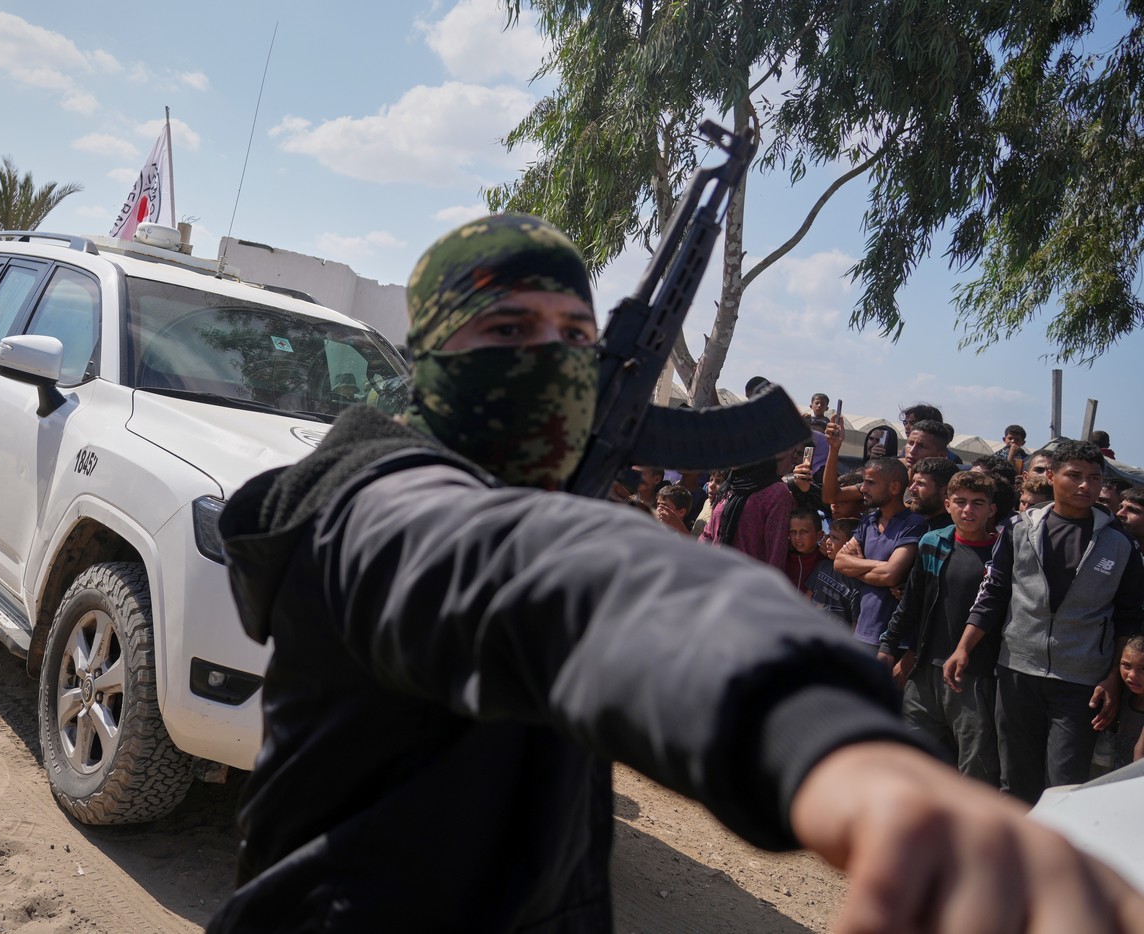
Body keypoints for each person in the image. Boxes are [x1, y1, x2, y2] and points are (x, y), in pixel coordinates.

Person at [210, 214, 1144, 933]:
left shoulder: (527, 497)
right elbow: (563, 579)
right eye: (509, 327)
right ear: (430, 354)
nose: (552, 361)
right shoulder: (374, 505)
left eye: (575, 336)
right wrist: (838, 748)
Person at [945, 441, 1144, 804]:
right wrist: (963, 648)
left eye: (1094, 478)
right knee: (1015, 779)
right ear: (1051, 476)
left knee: (1064, 784)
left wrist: (1112, 679)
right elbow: (993, 594)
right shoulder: (1018, 529)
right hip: (1017, 671)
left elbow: (1127, 618)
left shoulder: (1120, 545)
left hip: (1081, 681)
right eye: (1075, 475)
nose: (1085, 485)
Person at [877, 471, 1001, 785]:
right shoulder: (933, 543)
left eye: (977, 503)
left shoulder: (1001, 555)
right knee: (910, 760)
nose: (968, 510)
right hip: (925, 673)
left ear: (991, 509)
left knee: (975, 768)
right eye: (960, 501)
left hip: (974, 677)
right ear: (947, 505)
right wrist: (888, 646)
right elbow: (911, 603)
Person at [835, 457, 929, 653]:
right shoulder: (868, 520)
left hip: (894, 641)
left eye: (870, 482)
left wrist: (858, 566)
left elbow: (890, 575)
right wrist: (881, 566)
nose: (863, 488)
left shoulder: (914, 524)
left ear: (894, 487)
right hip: (862, 631)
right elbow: (840, 562)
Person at [697, 456, 794, 568]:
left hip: (748, 575)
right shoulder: (729, 486)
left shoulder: (777, 492)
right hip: (715, 572)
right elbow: (708, 534)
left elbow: (776, 551)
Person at [810, 518, 861, 628]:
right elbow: (807, 598)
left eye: (835, 538)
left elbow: (855, 623)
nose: (828, 541)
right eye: (829, 536)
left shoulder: (856, 583)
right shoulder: (822, 566)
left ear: (850, 545)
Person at [906, 456, 957, 531]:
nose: (911, 488)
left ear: (945, 492)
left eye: (921, 484)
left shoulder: (948, 533)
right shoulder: (913, 521)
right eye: (913, 482)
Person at [1116, 635, 1144, 769]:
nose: (1132, 675)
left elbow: (1140, 754)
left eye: (1143, 669)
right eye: (1126, 665)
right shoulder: (1122, 694)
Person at [784, 506, 827, 595]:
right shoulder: (784, 556)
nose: (797, 537)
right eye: (793, 532)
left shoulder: (825, 560)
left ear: (819, 535)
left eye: (804, 532)